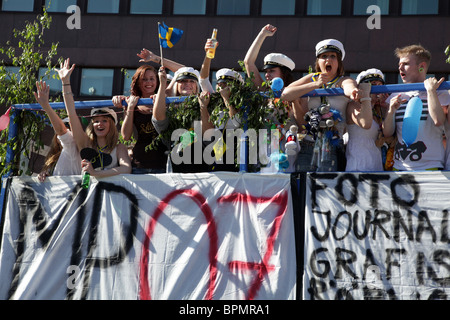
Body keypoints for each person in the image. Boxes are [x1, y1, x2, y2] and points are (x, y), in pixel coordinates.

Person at [281, 39, 361, 172]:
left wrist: (352, 92)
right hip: (308, 143)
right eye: (324, 56)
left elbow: (349, 86)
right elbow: (285, 94)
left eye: (332, 56)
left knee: (326, 188)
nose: (328, 60)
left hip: (333, 146)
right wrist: (314, 85)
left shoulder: (343, 80)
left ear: (338, 62)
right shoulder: (312, 78)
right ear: (318, 61)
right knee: (304, 187)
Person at [58, 58, 132, 178]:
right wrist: (65, 82)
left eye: (104, 121)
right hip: (88, 194)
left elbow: (126, 168)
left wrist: (96, 173)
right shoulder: (85, 143)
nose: (99, 124)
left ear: (112, 125)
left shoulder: (119, 148)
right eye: (96, 121)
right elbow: (71, 113)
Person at [383, 44, 450, 171]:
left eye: (405, 64)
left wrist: (431, 91)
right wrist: (391, 111)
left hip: (431, 167)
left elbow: (438, 120)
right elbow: (387, 133)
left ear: (421, 67)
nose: (400, 68)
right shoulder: (395, 94)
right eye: (399, 65)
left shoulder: (440, 92)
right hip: (399, 167)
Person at [243, 24, 307, 129]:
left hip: (289, 142)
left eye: (272, 71)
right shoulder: (265, 90)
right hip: (266, 143)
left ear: (284, 73)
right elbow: (248, 62)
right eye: (266, 71)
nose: (267, 75)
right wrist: (262, 34)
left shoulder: (299, 94)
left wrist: (293, 100)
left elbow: (303, 126)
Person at [112, 65, 169, 174]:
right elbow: (126, 136)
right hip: (140, 164)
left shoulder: (166, 100)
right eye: (144, 79)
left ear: (157, 81)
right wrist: (130, 108)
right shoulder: (131, 103)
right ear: (138, 82)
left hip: (163, 163)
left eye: (152, 79)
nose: (149, 82)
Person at [34, 80, 81, 181]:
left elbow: (61, 130)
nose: (66, 130)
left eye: (69, 127)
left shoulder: (73, 149)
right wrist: (44, 175)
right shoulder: (53, 158)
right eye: (65, 125)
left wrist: (46, 106)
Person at [345, 69, 389, 172]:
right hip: (357, 167)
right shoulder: (353, 105)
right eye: (373, 84)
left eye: (380, 85)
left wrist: (387, 108)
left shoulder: (377, 111)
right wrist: (365, 96)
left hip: (376, 167)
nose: (377, 89)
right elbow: (365, 123)